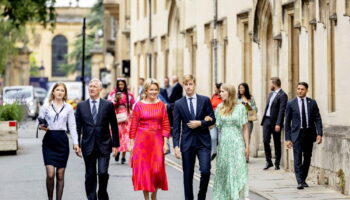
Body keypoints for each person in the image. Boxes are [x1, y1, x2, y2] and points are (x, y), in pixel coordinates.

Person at [75, 78, 120, 200]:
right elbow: (77, 127)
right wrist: (76, 144)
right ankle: (91, 198)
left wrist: (116, 145)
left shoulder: (108, 105)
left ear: (100, 89)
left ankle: (102, 194)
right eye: (90, 86)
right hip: (87, 145)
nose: (91, 88)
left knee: (102, 173)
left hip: (104, 144)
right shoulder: (81, 106)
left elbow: (114, 126)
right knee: (90, 175)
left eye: (94, 86)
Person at [173, 75, 216, 200]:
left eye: (190, 84)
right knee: (188, 175)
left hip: (203, 142)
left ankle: (201, 196)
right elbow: (176, 127)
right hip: (187, 143)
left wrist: (201, 123)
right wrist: (176, 145)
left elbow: (212, 119)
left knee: (206, 170)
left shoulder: (205, 100)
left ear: (194, 84)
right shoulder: (178, 103)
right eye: (186, 84)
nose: (188, 86)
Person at [129, 78, 170, 200]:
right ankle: (146, 197)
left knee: (157, 170)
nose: (153, 92)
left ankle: (154, 195)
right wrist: (131, 143)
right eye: (151, 89)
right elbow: (133, 125)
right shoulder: (139, 105)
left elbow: (166, 125)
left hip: (157, 140)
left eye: (156, 90)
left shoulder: (162, 105)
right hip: (142, 141)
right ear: (146, 90)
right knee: (144, 170)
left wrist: (166, 143)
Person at [38, 82, 80, 200]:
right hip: (49, 140)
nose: (60, 92)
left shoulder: (69, 108)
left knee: (60, 175)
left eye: (62, 90)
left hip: (62, 141)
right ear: (53, 92)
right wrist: (41, 126)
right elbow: (39, 122)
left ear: (65, 93)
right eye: (58, 90)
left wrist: (76, 143)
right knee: (50, 174)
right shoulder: (46, 107)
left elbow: (72, 126)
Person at [212, 83, 250, 200]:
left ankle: (236, 196)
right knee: (225, 172)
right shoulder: (219, 108)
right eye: (220, 91)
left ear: (230, 93)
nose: (220, 93)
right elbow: (215, 125)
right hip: (224, 144)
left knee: (237, 171)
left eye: (223, 91)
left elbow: (245, 128)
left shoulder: (241, 108)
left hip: (237, 143)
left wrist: (247, 146)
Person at [285, 82, 323, 190]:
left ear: (306, 90)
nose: (300, 91)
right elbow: (287, 123)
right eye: (298, 89)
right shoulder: (291, 104)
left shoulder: (312, 103)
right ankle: (299, 181)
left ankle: (303, 178)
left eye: (302, 89)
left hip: (309, 134)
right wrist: (287, 138)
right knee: (297, 158)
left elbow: (317, 118)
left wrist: (319, 133)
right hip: (297, 134)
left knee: (307, 158)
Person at [261, 77, 288, 170]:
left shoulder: (283, 95)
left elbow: (282, 110)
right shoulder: (271, 94)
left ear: (274, 84)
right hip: (266, 120)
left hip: (275, 122)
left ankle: (277, 163)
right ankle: (269, 161)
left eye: (271, 84)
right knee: (265, 140)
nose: (270, 86)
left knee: (276, 142)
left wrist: (278, 123)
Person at [107, 78, 135, 164]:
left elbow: (133, 105)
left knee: (125, 137)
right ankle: (117, 151)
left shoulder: (129, 94)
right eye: (119, 85)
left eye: (122, 84)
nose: (121, 86)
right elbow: (109, 105)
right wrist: (116, 100)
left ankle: (123, 156)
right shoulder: (112, 94)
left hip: (126, 118)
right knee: (117, 135)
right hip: (116, 117)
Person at [238, 83, 258, 162]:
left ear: (245, 89)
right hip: (239, 120)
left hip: (248, 120)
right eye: (239, 88)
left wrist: (248, 106)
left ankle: (246, 156)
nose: (240, 90)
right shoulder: (237, 98)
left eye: (242, 88)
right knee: (240, 138)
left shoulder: (251, 98)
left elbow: (255, 109)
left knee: (247, 138)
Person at [209, 83, 222, 161]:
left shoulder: (224, 97)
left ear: (219, 89)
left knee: (220, 139)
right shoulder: (214, 96)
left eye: (215, 88)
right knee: (213, 137)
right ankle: (214, 152)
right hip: (213, 119)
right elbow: (209, 106)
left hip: (221, 120)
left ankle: (221, 154)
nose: (214, 89)